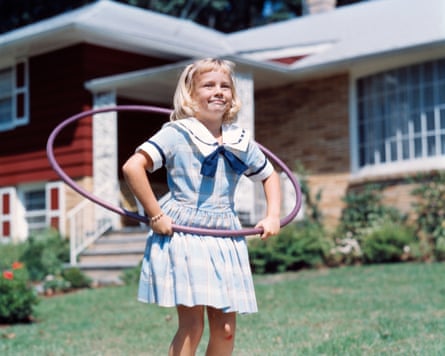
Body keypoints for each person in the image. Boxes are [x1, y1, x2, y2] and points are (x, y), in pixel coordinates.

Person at [122, 58, 281, 356]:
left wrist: (272, 215)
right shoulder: (176, 133)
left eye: (225, 86)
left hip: (225, 235)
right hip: (186, 234)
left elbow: (270, 175)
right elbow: (133, 167)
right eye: (208, 85)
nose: (218, 91)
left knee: (226, 330)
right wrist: (155, 214)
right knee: (192, 326)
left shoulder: (239, 139)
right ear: (190, 95)